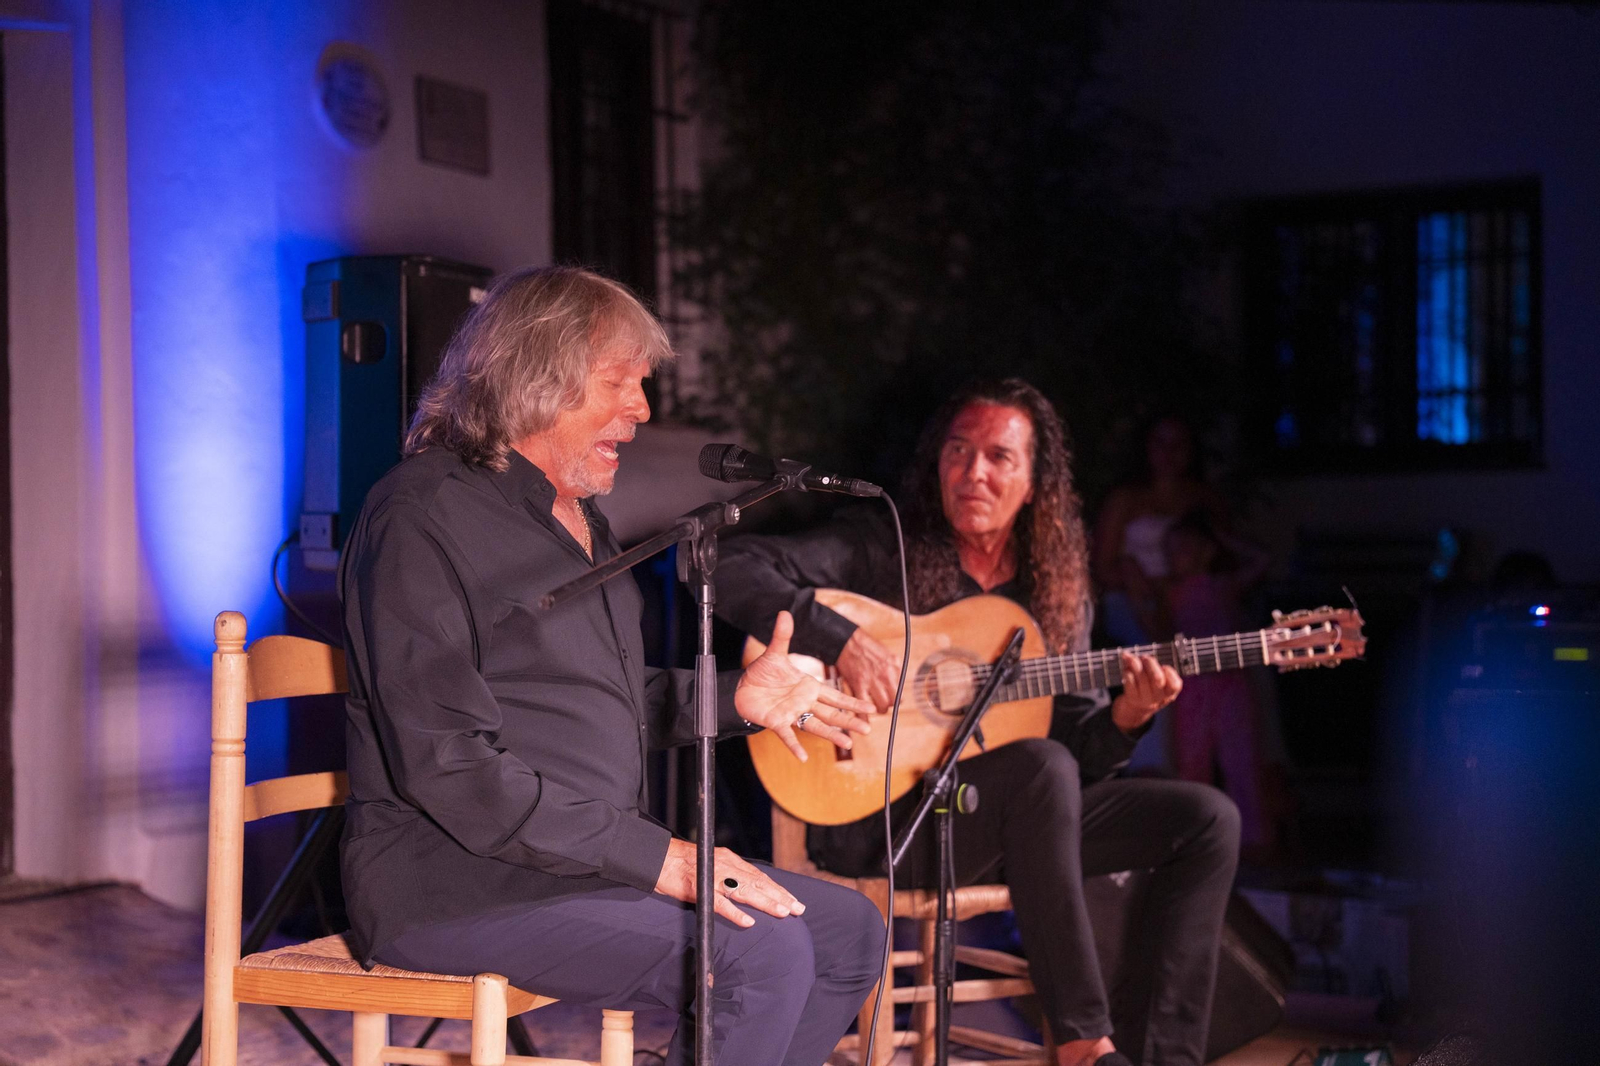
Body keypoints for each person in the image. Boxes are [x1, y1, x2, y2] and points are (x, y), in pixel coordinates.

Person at [338, 266, 886, 1066]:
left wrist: (739, 699)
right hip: (453, 882)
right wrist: (665, 860)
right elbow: (449, 765)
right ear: (537, 378)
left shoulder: (585, 520)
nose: (642, 408)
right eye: (620, 382)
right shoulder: (420, 517)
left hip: (576, 865)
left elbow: (612, 704)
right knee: (760, 956)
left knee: (846, 932)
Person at [715, 379, 1241, 1066]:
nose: (975, 473)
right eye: (958, 452)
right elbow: (730, 566)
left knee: (1205, 819)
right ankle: (1085, 1043)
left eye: (1000, 457)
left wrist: (1126, 718)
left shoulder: (1055, 588)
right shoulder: (884, 548)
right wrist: (836, 635)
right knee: (1039, 768)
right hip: (884, 823)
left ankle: (1166, 1058)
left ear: (1034, 484)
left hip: (1014, 818)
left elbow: (1076, 760)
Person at [1143, 511, 1274, 850]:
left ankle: (1254, 841)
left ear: (1206, 551)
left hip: (1230, 683)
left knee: (1241, 759)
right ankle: (1196, 840)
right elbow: (1160, 633)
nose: (1175, 556)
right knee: (1193, 763)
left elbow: (1263, 560)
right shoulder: (1169, 592)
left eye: (1184, 547)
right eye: (1170, 550)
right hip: (1192, 688)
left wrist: (1221, 535)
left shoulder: (1223, 585)